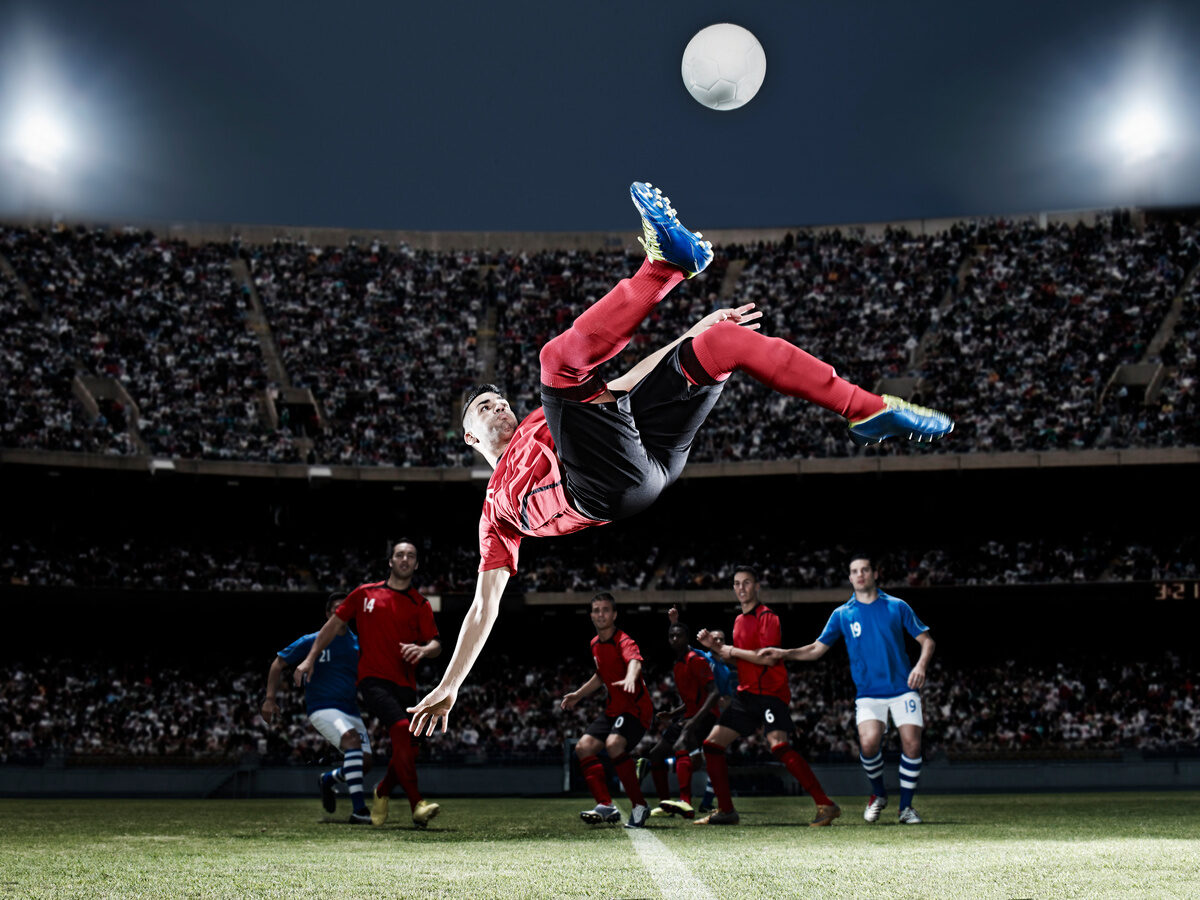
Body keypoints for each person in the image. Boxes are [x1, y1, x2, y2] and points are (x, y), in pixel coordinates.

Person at [408, 182, 954, 736]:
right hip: (601, 489)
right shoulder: (494, 510)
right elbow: (483, 608)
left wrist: (693, 333)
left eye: (499, 400)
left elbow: (620, 383)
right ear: (471, 439)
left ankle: (866, 410)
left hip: (644, 454)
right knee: (556, 360)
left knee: (723, 345)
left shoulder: (539, 422)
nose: (498, 406)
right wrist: (450, 683)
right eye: (484, 407)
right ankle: (664, 268)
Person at [762, 554, 935, 825]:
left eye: (865, 569)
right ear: (850, 577)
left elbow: (927, 641)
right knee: (867, 745)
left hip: (903, 688)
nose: (860, 574)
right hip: (868, 694)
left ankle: (906, 807)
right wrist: (784, 653)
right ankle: (878, 794)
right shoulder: (842, 614)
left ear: (875, 574)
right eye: (855, 571)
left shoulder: (897, 606)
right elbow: (816, 649)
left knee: (912, 745)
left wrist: (921, 666)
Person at [294, 539, 442, 828]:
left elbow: (435, 643)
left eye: (410, 556)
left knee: (410, 747)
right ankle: (417, 805)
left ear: (416, 563)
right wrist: (310, 658)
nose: (404, 559)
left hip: (406, 684)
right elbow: (333, 626)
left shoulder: (420, 604)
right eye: (399, 554)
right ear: (390, 561)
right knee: (401, 729)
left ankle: (383, 791)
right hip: (373, 681)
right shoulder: (365, 594)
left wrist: (424, 650)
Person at [694, 566, 840, 826]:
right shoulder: (738, 621)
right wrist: (714, 648)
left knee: (778, 746)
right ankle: (726, 811)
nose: (741, 588)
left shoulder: (768, 617)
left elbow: (769, 658)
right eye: (737, 583)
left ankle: (825, 804)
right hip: (746, 694)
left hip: (771, 693)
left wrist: (730, 650)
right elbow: (741, 659)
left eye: (747, 583)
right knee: (712, 745)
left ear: (757, 587)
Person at [262, 594, 372, 824]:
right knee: (351, 741)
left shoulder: (358, 644)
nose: (338, 613)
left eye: (343, 609)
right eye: (334, 609)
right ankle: (359, 811)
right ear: (327, 614)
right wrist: (270, 698)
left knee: (365, 762)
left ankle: (329, 779)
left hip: (350, 710)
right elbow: (278, 663)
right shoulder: (312, 640)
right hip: (322, 708)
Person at [560, 592, 655, 828]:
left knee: (613, 745)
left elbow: (634, 661)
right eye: (596, 610)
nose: (600, 614)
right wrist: (577, 695)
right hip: (614, 709)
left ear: (614, 615)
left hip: (636, 708)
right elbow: (601, 675)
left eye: (605, 610)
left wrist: (632, 677)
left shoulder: (624, 640)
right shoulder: (594, 644)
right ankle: (606, 805)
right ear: (592, 615)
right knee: (583, 748)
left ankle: (639, 806)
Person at [641, 613, 722, 820]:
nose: (675, 639)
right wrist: (673, 713)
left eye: (679, 636)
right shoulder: (678, 664)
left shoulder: (696, 660)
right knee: (656, 754)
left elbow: (713, 693)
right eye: (672, 636)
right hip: (688, 716)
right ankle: (666, 805)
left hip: (706, 717)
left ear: (687, 638)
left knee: (681, 746)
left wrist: (694, 720)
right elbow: (692, 698)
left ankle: (686, 802)